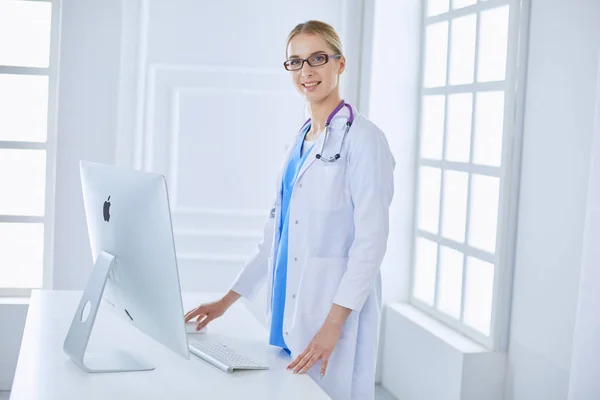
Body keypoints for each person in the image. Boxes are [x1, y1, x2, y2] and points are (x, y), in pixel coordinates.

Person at [184, 20, 395, 400]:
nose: (306, 71)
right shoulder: (299, 141)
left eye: (317, 58)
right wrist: (225, 301)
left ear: (340, 64)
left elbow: (371, 245)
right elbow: (273, 239)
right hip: (287, 313)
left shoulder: (364, 140)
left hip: (330, 315)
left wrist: (333, 326)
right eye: (295, 62)